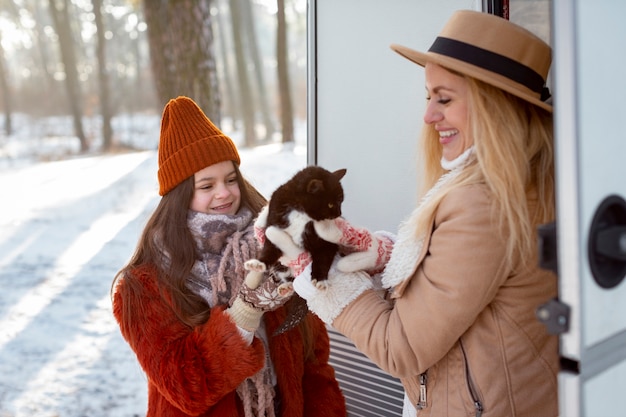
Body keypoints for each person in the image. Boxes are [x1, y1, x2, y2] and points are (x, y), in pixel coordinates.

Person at [265, 10, 559, 417]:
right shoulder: (521, 184)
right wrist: (379, 255)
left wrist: (323, 276)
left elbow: (399, 347)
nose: (428, 115)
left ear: (495, 106)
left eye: (445, 98)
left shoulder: (482, 204)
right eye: (428, 96)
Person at [111, 96, 346, 417]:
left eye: (230, 179)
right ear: (179, 195)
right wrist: (246, 311)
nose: (224, 193)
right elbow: (186, 386)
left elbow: (314, 364)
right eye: (206, 185)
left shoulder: (279, 251)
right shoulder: (141, 286)